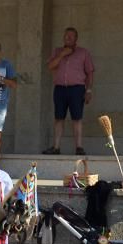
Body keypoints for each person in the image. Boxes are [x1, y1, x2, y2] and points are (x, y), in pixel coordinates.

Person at [43, 27, 95, 155]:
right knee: (58, 118)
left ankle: (79, 147)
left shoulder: (83, 52)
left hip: (77, 89)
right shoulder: (57, 51)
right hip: (60, 88)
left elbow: (90, 72)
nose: (68, 38)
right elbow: (50, 66)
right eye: (66, 36)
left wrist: (88, 90)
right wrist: (62, 55)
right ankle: (56, 147)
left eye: (71, 36)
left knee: (77, 118)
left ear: (76, 39)